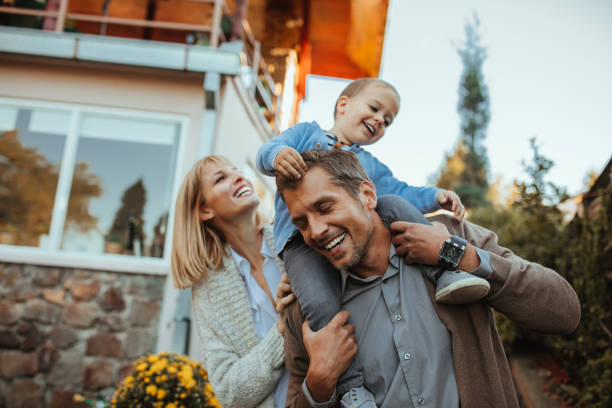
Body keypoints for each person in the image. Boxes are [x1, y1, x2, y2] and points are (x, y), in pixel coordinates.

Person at [276, 149, 581, 408]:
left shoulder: (451, 237)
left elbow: (564, 313)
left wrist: (457, 255)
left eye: (325, 207)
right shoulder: (305, 311)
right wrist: (318, 384)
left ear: (367, 195)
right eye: (302, 223)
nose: (315, 231)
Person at [257, 78, 489, 405]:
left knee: (393, 205)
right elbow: (266, 150)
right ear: (343, 105)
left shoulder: (371, 167)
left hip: (354, 233)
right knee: (321, 305)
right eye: (375, 108)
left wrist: (435, 196)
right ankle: (352, 387)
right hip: (300, 244)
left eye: (388, 120)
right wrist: (278, 155)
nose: (381, 120)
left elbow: (403, 191)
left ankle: (445, 271)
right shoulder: (306, 133)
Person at [171, 155, 296, 408]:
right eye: (221, 178)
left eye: (237, 171)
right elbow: (228, 393)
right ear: (205, 209)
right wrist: (283, 329)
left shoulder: (292, 243)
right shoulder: (209, 290)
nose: (239, 177)